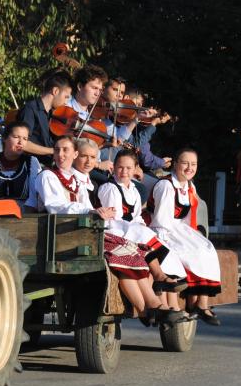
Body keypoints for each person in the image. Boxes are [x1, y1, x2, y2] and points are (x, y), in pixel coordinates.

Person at [37, 137, 177, 325]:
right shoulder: (48, 176)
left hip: (84, 231)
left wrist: (97, 212)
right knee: (123, 256)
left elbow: (88, 208)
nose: (62, 155)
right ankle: (147, 310)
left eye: (66, 151)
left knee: (132, 252)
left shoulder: (76, 181)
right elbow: (55, 206)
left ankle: (154, 305)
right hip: (64, 233)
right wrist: (93, 211)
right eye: (57, 150)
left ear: (73, 154)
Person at [98, 150, 189, 300]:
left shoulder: (133, 190)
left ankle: (168, 285)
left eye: (128, 168)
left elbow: (137, 216)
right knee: (144, 235)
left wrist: (141, 225)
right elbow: (114, 217)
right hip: (115, 230)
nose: (124, 172)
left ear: (135, 169)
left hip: (130, 229)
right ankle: (159, 277)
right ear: (113, 167)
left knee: (159, 242)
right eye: (120, 167)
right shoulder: (110, 188)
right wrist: (138, 228)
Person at [149, 148, 223, 325]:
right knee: (189, 251)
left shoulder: (189, 185)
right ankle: (192, 301)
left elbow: (188, 218)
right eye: (185, 163)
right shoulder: (166, 186)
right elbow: (161, 220)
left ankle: (202, 303)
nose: (189, 167)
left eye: (193, 164)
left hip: (180, 227)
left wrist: (193, 235)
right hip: (163, 228)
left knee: (206, 248)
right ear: (175, 164)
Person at [0, 122, 41, 204]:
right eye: (16, 137)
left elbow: (33, 199)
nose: (20, 142)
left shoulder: (31, 162)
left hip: (25, 215)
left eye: (25, 139)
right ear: (4, 138)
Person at [17, 70, 72, 159]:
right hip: (34, 165)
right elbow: (23, 143)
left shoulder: (51, 114)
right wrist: (53, 151)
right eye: (66, 97)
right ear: (55, 91)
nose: (66, 102)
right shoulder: (30, 109)